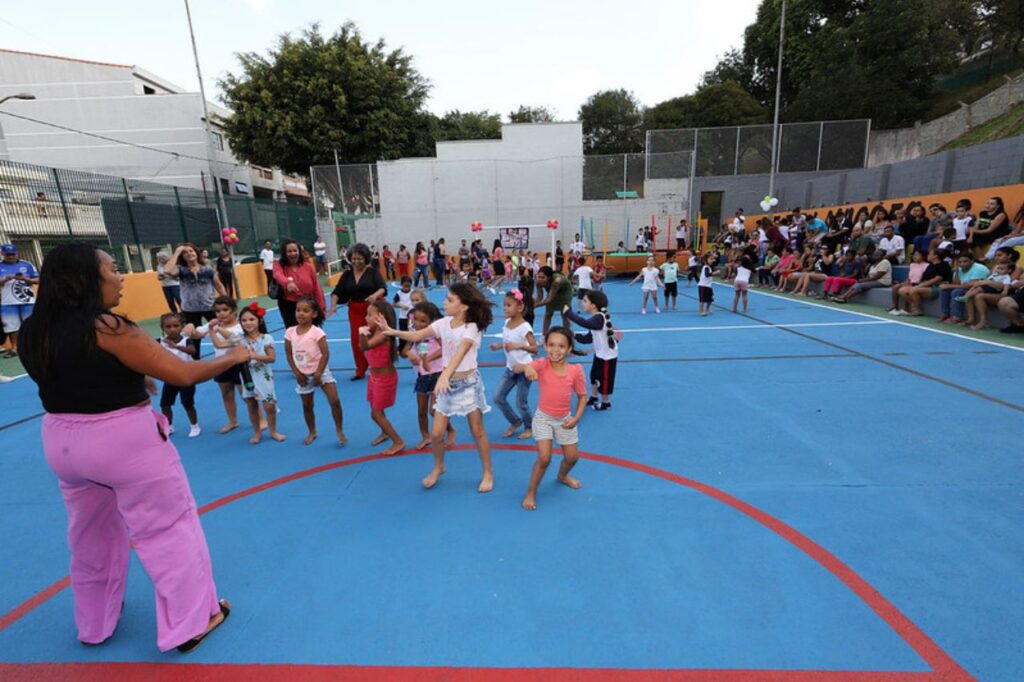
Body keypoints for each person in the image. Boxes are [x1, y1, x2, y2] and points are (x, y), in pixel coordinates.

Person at [18, 242, 240, 653]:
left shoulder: (33, 329)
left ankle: (94, 623)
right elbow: (185, 373)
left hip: (62, 443)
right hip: (123, 443)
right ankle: (193, 622)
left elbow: (72, 376)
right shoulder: (108, 328)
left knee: (89, 536)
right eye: (112, 270)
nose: (119, 277)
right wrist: (234, 355)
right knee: (169, 530)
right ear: (85, 279)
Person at [381, 282, 495, 493]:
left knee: (477, 431)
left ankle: (488, 472)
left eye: (450, 299)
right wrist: (391, 331)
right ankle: (439, 466)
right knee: (436, 433)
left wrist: (444, 374)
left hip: (467, 383)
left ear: (464, 306)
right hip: (447, 382)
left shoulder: (471, 327)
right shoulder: (443, 323)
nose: (444, 302)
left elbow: (460, 352)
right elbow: (417, 336)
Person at [514, 327, 587, 511]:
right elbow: (516, 367)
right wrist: (527, 367)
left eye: (561, 346)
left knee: (572, 458)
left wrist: (576, 418)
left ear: (569, 349)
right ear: (545, 346)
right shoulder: (542, 365)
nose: (556, 349)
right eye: (551, 345)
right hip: (543, 418)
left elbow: (582, 397)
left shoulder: (575, 371)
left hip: (565, 420)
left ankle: (562, 476)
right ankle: (531, 491)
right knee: (544, 458)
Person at [285, 296, 347, 446]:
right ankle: (312, 431)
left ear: (314, 314)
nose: (300, 313)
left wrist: (319, 373)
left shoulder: (317, 332)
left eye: (305, 311)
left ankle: (339, 429)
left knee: (335, 400)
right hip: (302, 374)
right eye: (298, 310)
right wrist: (297, 373)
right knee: (307, 405)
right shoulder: (290, 332)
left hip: (320, 371)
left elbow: (325, 354)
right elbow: (288, 353)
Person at [184, 296, 244, 434]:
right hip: (221, 364)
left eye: (225, 310)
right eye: (217, 311)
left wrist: (215, 328)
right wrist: (191, 326)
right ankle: (233, 421)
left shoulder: (240, 326)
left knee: (246, 395)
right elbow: (197, 334)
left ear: (234, 311)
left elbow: (231, 338)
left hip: (237, 363)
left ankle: (259, 418)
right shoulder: (214, 325)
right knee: (226, 394)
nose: (221, 313)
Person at [328, 242, 387, 381]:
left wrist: (375, 296)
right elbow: (336, 292)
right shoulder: (347, 274)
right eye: (354, 258)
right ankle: (360, 369)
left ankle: (379, 365)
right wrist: (333, 306)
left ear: (366, 258)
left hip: (373, 309)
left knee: (376, 338)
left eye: (359, 258)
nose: (356, 261)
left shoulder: (373, 272)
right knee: (357, 340)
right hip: (355, 310)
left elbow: (383, 288)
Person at [406, 300, 455, 451]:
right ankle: (425, 436)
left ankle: (450, 429)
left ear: (432, 321)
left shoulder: (436, 333)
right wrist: (410, 354)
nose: (419, 324)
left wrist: (428, 358)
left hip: (437, 374)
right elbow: (404, 349)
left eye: (423, 321)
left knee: (434, 410)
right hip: (422, 375)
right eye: (416, 320)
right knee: (421, 410)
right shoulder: (415, 333)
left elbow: (446, 349)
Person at [491, 289, 537, 440]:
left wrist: (520, 346)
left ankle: (529, 426)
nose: (505, 308)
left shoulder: (525, 327)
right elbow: (508, 342)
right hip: (510, 369)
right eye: (504, 305)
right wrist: (500, 345)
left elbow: (535, 348)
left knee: (521, 403)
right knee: (498, 397)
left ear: (520, 307)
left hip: (525, 370)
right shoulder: (506, 323)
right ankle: (515, 421)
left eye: (508, 305)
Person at [359, 300, 404, 455]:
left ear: (381, 318)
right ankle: (385, 432)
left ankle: (398, 441)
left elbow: (364, 346)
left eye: (370, 315)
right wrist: (364, 333)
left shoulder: (384, 334)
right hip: (374, 377)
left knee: (376, 414)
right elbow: (362, 346)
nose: (366, 317)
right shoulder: (373, 332)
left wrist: (362, 333)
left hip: (385, 380)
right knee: (375, 409)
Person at [167, 243, 226, 354]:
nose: (189, 254)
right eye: (185, 252)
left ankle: (227, 356)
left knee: (222, 332)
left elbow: (218, 285)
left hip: (210, 307)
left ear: (196, 253)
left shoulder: (207, 269)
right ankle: (195, 362)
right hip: (190, 310)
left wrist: (226, 302)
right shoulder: (181, 270)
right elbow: (168, 271)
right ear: (182, 256)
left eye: (191, 251)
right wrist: (177, 252)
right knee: (193, 339)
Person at [565, 289, 618, 411]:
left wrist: (569, 313)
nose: (583, 303)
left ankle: (606, 402)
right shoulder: (596, 319)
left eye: (585, 301)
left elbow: (583, 323)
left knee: (605, 379)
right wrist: (574, 335)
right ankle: (594, 397)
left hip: (607, 356)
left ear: (593, 305)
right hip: (600, 354)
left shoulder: (599, 318)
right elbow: (588, 339)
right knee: (594, 375)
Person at [239, 303, 284, 444]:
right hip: (247, 375)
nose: (248, 323)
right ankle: (257, 432)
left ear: (259, 321)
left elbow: (272, 358)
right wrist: (212, 329)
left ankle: (273, 431)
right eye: (244, 320)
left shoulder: (267, 338)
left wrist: (254, 357)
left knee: (269, 405)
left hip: (264, 376)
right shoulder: (239, 340)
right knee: (251, 404)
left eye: (251, 319)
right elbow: (223, 347)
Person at [155, 312, 200, 438]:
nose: (172, 329)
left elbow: (192, 350)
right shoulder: (160, 341)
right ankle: (168, 426)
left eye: (176, 326)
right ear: (163, 328)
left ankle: (194, 426)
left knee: (187, 403)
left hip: (186, 377)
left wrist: (177, 347)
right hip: (170, 378)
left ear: (181, 326)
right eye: (168, 327)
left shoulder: (186, 340)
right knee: (165, 403)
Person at [963, 247, 1021, 329]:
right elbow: (988, 279)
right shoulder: (995, 267)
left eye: (1000, 255)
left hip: (1007, 293)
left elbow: (1009, 285)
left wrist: (988, 282)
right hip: (993, 290)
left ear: (1009, 256)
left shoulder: (1017, 267)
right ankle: (971, 319)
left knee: (979, 296)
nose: (997, 257)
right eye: (996, 255)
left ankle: (984, 322)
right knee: (970, 293)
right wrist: (981, 282)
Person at [273, 238, 325, 330]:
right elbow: (278, 275)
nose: (293, 253)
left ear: (299, 252)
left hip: (308, 304)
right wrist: (287, 283)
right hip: (289, 306)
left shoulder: (308, 267)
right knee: (294, 333)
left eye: (295, 250)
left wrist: (321, 306)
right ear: (284, 253)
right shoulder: (279, 265)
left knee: (311, 333)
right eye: (289, 251)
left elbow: (316, 287)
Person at [0, 243, 39, 357]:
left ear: (17, 253)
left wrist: (25, 278)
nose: (11, 256)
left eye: (13, 254)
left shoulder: (27, 265)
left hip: (27, 300)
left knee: (30, 324)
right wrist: (5, 279)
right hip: (8, 302)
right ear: (2, 254)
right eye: (8, 254)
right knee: (12, 326)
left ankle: (33, 346)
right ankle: (15, 348)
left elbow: (37, 279)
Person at [893, 250, 952, 316]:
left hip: (937, 287)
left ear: (935, 256)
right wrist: (917, 284)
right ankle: (914, 306)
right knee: (902, 290)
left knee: (913, 290)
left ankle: (919, 310)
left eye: (930, 254)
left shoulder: (944, 265)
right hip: (926, 286)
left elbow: (937, 279)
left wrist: (920, 285)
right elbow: (924, 279)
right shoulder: (930, 266)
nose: (928, 255)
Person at [938, 253, 990, 324]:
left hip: (979, 289)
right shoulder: (960, 268)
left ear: (972, 261)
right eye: (960, 262)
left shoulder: (979, 268)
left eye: (965, 261)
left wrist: (949, 286)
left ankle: (958, 316)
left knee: (956, 292)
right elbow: (956, 283)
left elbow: (972, 285)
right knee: (944, 290)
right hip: (966, 288)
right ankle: (945, 313)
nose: (962, 264)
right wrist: (956, 271)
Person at [535, 266, 574, 336]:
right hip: (552, 293)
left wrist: (534, 306)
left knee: (564, 314)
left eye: (543, 277)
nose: (540, 279)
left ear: (549, 277)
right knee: (548, 314)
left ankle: (567, 335)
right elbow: (539, 297)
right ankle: (544, 336)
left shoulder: (557, 281)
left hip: (565, 292)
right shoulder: (538, 282)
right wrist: (531, 304)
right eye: (539, 277)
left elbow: (549, 299)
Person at [889, 249, 928, 314]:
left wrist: (913, 283)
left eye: (917, 255)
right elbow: (909, 276)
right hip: (910, 282)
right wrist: (906, 281)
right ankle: (895, 306)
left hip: (918, 284)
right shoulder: (912, 264)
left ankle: (909, 307)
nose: (914, 256)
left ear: (923, 257)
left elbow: (924, 277)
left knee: (904, 289)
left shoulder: (927, 265)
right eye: (914, 255)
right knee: (896, 287)